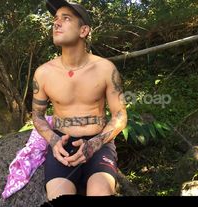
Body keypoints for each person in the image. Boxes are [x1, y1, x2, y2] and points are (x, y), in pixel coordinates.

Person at [32, 0, 129, 200]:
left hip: (99, 143)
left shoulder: (105, 69)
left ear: (83, 30)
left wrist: (95, 143)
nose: (56, 23)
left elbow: (120, 115)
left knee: (101, 192)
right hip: (63, 147)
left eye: (65, 18)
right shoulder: (43, 73)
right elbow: (38, 115)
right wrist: (53, 140)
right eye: (55, 19)